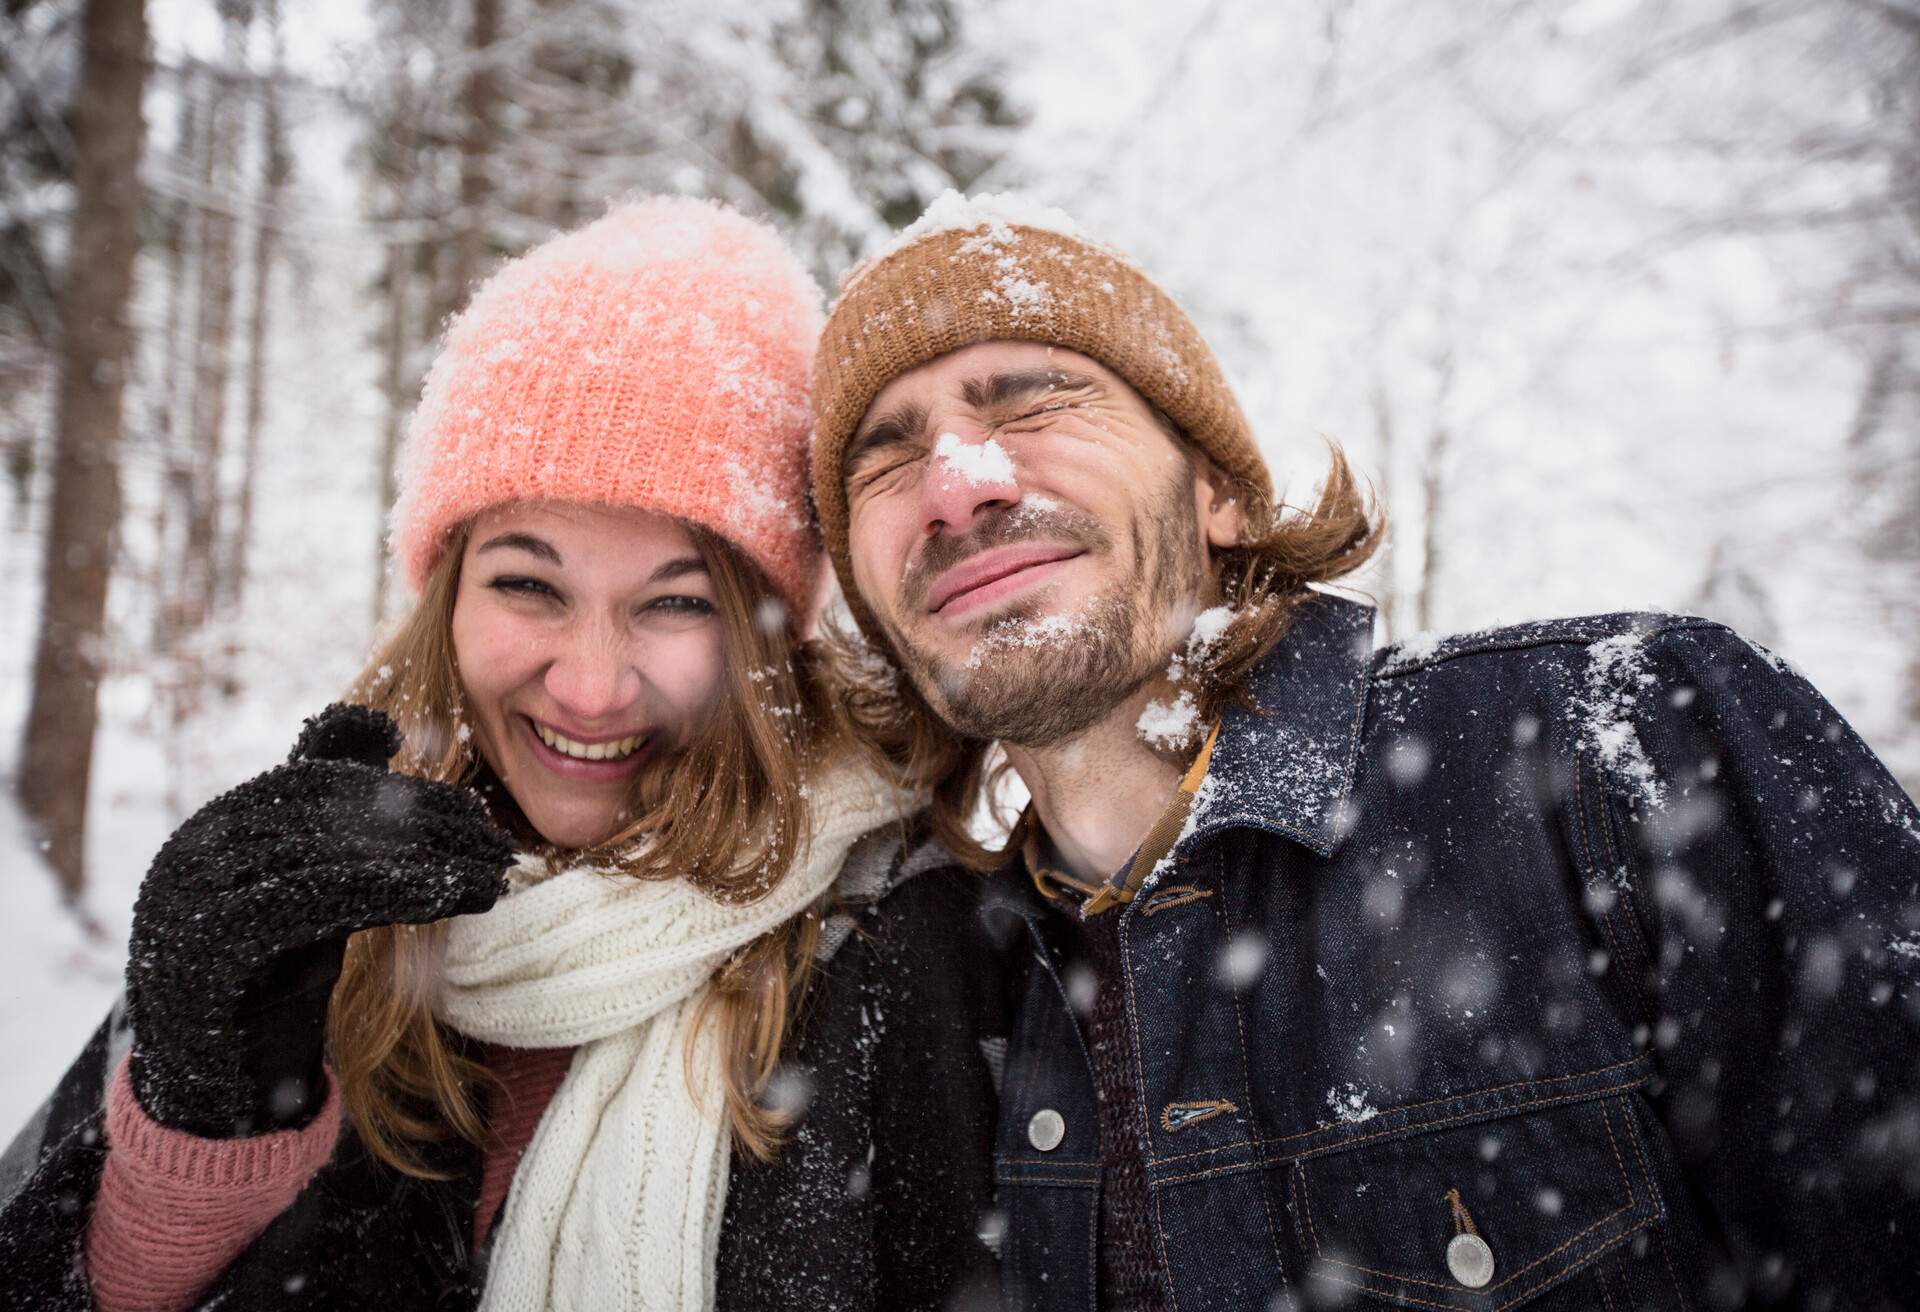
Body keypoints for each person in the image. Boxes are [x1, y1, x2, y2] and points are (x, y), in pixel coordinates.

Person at [809, 191, 1920, 1311]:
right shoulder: (942, 983)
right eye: (884, 459)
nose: (957, 483)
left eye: (1035, 399)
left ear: (1221, 495)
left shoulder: (1629, 745)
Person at [0, 197, 1003, 1312]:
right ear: (446, 596)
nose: (589, 683)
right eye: (529, 584)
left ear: (771, 639)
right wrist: (204, 1128)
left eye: (674, 605)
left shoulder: (904, 942)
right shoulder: (295, 898)